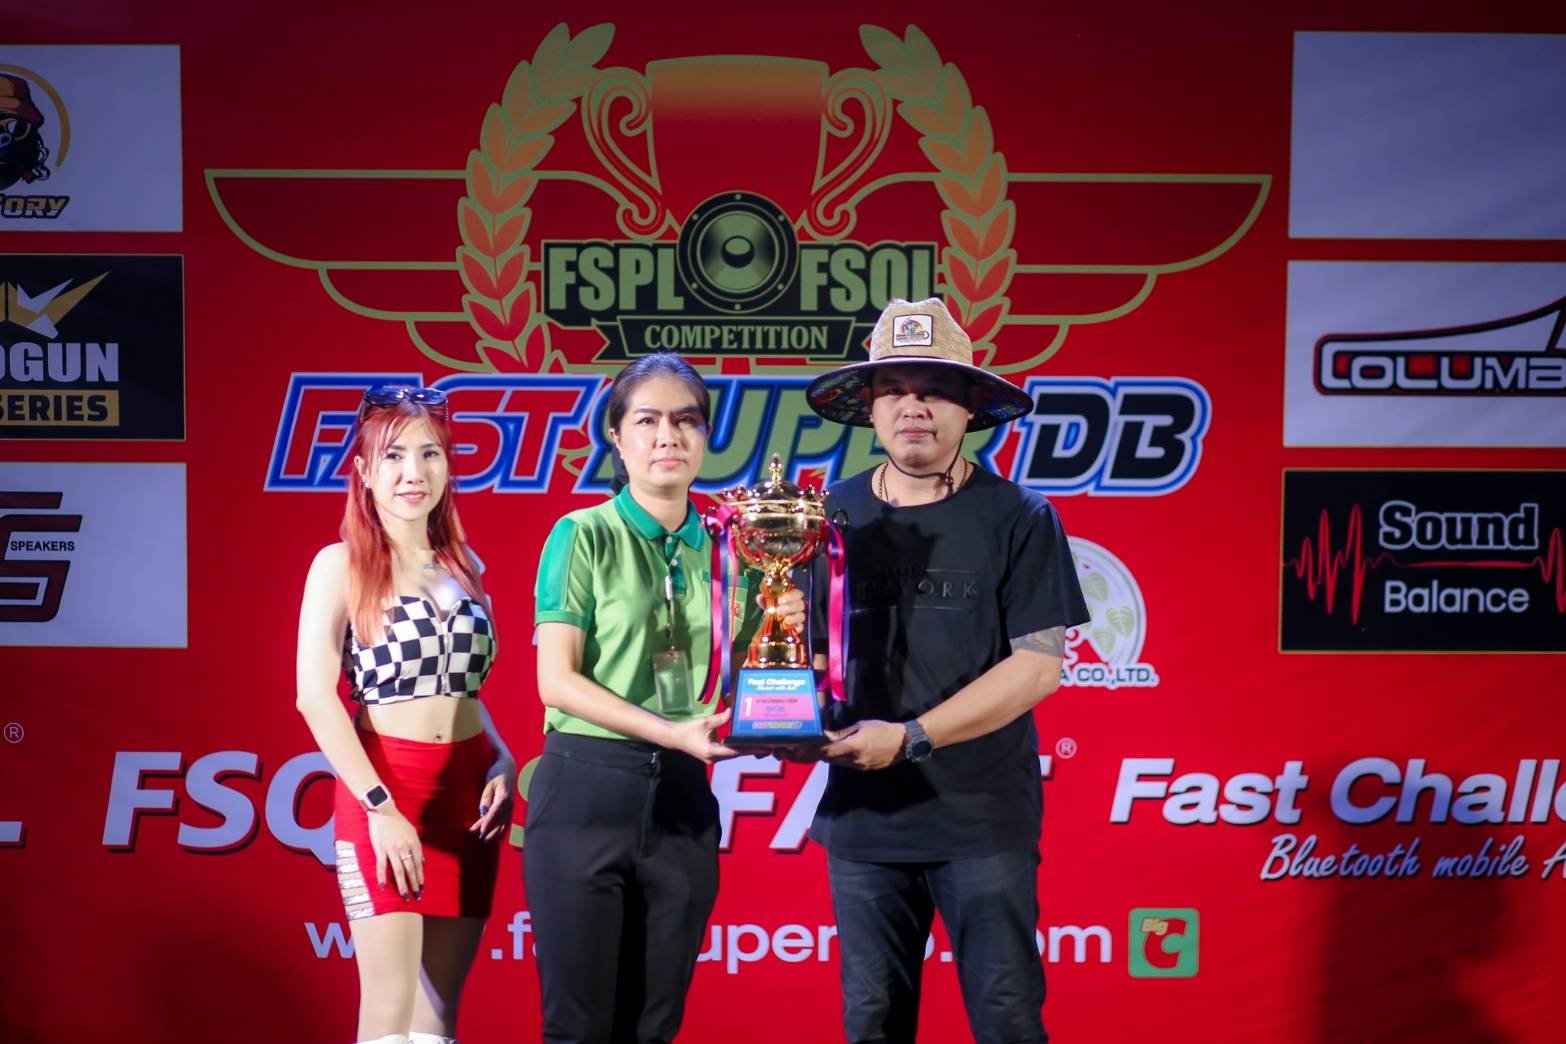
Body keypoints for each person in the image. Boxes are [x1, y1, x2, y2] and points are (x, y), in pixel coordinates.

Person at [803, 298, 1091, 1044]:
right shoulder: (823, 517)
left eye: (934, 390)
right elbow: (802, 654)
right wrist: (782, 713)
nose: (914, 408)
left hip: (982, 820)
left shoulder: (1021, 516)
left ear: (969, 408)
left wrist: (910, 737)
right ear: (870, 407)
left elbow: (1037, 669)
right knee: (872, 1025)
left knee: (1007, 1021)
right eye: (895, 389)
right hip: (865, 820)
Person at [525, 352, 803, 1044]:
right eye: (647, 420)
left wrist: (786, 630)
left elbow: (745, 679)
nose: (667, 436)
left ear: (706, 436)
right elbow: (556, 681)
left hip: (682, 797)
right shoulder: (583, 535)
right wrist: (672, 731)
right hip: (586, 792)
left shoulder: (734, 547)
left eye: (686, 420)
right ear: (616, 438)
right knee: (579, 1029)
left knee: (655, 1027)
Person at [296, 385, 515, 1044]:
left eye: (429, 454)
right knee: (389, 1015)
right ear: (364, 471)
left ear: (447, 468)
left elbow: (464, 689)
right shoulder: (340, 565)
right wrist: (380, 808)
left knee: (436, 1018)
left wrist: (502, 754)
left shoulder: (465, 565)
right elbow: (314, 695)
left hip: (469, 795)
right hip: (387, 788)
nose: (413, 472)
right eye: (393, 456)